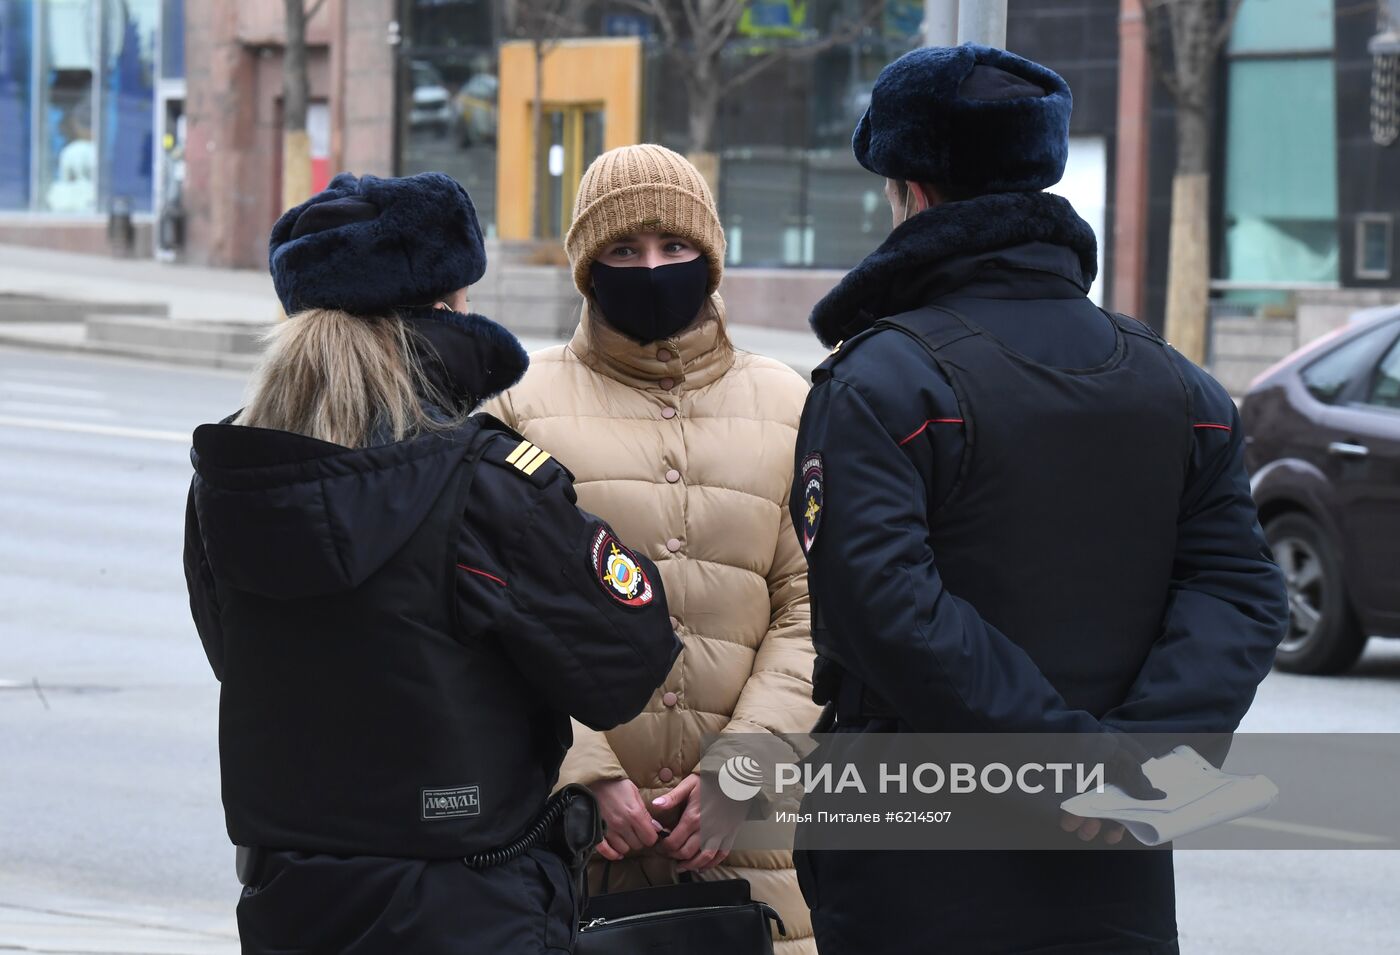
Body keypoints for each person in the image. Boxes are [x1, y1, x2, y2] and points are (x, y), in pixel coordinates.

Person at [790, 45, 1289, 954]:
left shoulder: (882, 383)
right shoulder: (1182, 388)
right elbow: (1241, 591)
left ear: (914, 189)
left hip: (916, 858)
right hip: (1116, 859)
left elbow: (885, 609)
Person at [183, 171, 681, 954]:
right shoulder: (483, 481)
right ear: (447, 308)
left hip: (291, 899)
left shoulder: (231, 479)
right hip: (468, 900)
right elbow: (628, 657)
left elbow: (233, 653)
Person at [484, 144, 820, 954]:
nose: (652, 267)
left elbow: (817, 604)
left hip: (756, 847)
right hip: (577, 846)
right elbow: (492, 612)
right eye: (623, 251)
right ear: (586, 266)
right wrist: (586, 769)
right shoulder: (517, 407)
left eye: (675, 248)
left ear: (710, 257)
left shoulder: (791, 401)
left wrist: (746, 765)